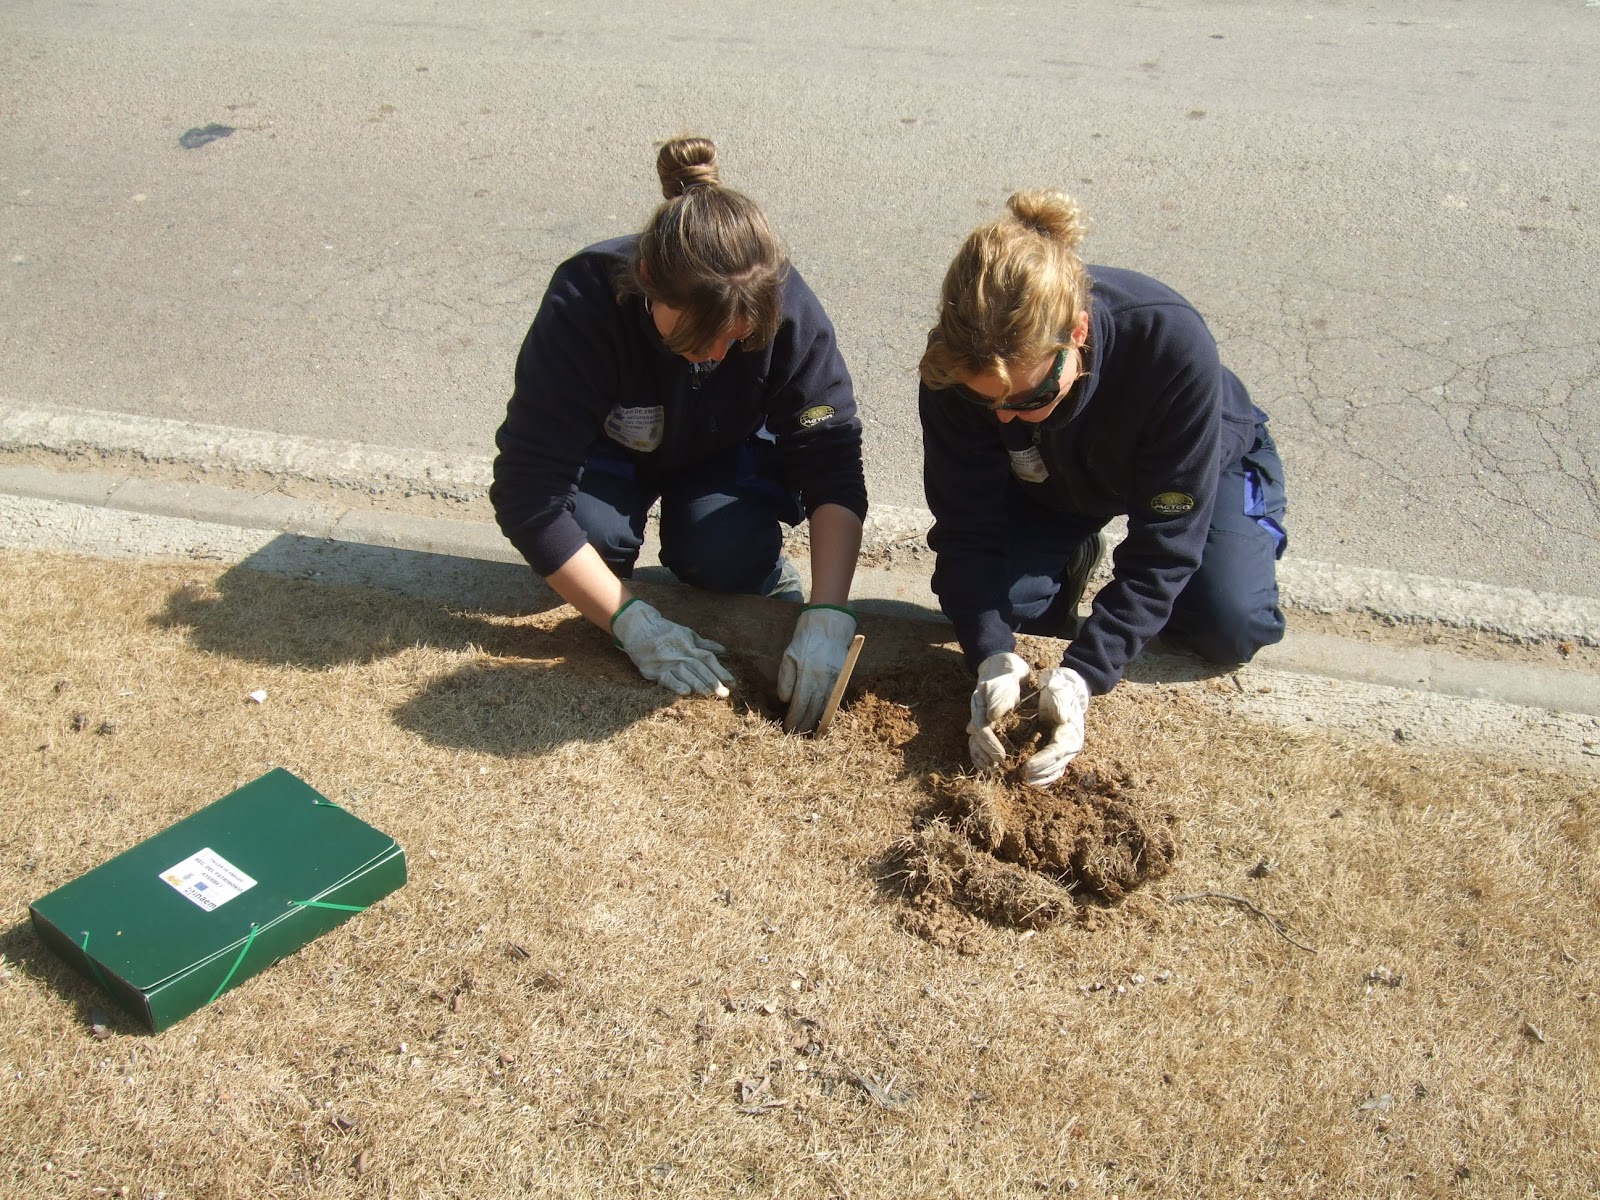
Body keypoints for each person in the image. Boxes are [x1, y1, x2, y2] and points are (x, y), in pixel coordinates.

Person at [491, 137, 867, 732]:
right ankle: (616, 592)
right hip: (612, 450)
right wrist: (628, 619)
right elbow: (527, 494)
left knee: (723, 552)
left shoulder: (783, 302)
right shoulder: (585, 299)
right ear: (646, 278)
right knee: (593, 539)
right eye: (695, 334)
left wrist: (830, 610)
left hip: (725, 447)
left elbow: (831, 459)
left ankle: (767, 578)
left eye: (737, 338)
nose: (714, 354)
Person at [919, 190, 1288, 786]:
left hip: (1187, 464)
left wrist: (1087, 672)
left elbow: (1165, 546)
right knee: (1004, 610)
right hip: (1050, 480)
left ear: (1079, 331)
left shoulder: (1169, 342)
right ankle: (1072, 554)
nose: (1009, 419)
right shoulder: (953, 368)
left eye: (1034, 396)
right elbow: (967, 527)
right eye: (990, 403)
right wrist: (991, 651)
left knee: (1230, 623)